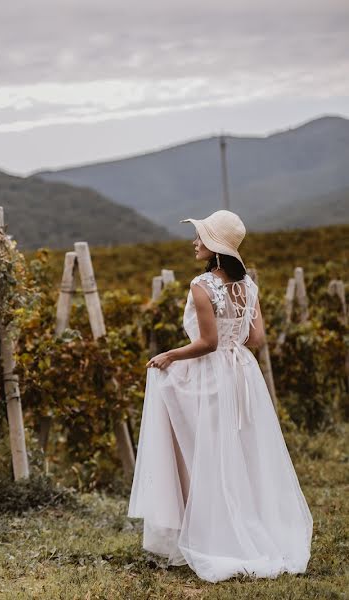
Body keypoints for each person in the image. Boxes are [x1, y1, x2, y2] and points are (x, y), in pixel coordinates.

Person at [127, 210, 313, 583]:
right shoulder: (250, 287)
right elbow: (256, 339)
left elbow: (207, 343)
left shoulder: (202, 285)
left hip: (211, 376)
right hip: (242, 372)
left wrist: (170, 355)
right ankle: (249, 525)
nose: (194, 242)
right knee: (242, 452)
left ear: (214, 248)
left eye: (200, 237)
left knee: (206, 451)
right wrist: (233, 343)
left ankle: (211, 532)